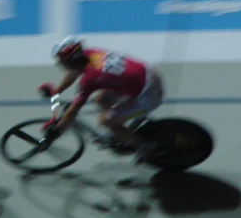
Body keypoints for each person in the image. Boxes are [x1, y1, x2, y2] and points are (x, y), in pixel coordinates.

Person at [38, 35, 164, 163]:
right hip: (146, 75)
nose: (61, 64)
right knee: (100, 99)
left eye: (62, 62)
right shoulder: (88, 54)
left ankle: (145, 148)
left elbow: (73, 110)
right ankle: (121, 128)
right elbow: (73, 72)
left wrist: (58, 130)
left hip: (148, 94)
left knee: (105, 121)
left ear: (71, 61)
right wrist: (57, 91)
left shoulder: (91, 78)